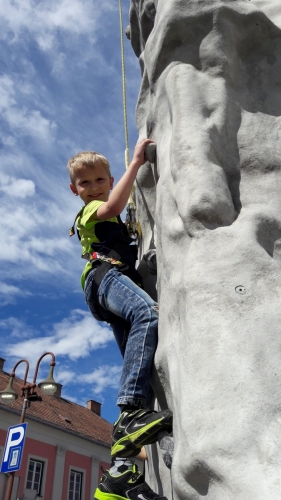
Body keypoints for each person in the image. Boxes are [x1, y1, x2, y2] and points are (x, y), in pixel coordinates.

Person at [68, 138, 172, 500]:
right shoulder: (90, 211)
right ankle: (129, 415)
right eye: (85, 183)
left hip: (118, 284)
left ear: (106, 179)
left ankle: (121, 471)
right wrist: (137, 164)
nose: (93, 187)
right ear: (74, 189)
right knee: (148, 314)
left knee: (137, 357)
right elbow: (113, 203)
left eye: (99, 180)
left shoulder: (114, 217)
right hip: (104, 278)